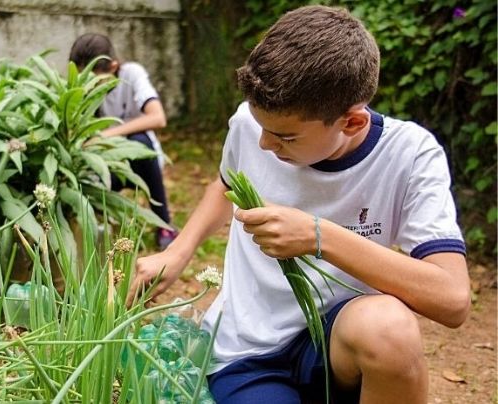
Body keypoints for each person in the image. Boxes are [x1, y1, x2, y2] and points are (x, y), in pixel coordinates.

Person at [128, 5, 470, 403]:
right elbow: (223, 185)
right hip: (249, 350)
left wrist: (319, 236)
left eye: (286, 137)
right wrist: (178, 251)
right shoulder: (248, 125)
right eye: (261, 129)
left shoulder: (410, 154)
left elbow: (453, 299)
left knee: (390, 328)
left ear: (352, 122)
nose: (264, 145)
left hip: (338, 344)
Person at [69, 33, 179, 250]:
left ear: (113, 67)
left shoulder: (132, 74)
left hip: (141, 163)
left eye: (94, 78)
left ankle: (164, 223)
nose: (88, 84)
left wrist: (108, 134)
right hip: (105, 163)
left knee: (141, 141)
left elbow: (158, 117)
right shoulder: (81, 90)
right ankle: (106, 228)